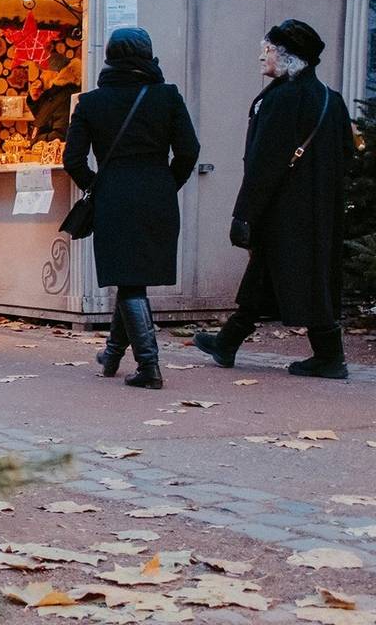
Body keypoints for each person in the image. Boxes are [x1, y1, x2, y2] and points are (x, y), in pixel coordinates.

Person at [194, 19, 353, 379]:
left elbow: (263, 164)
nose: (261, 56)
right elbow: (346, 154)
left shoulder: (280, 100)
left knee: (301, 277)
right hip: (319, 209)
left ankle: (330, 357)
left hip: (282, 208)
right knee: (270, 273)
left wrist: (244, 214)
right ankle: (228, 342)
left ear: (289, 58)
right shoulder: (331, 99)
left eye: (267, 50)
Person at [63, 28, 200, 390]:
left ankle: (149, 367)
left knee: (129, 279)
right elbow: (189, 150)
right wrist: (169, 183)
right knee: (132, 278)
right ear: (148, 55)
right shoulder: (167, 97)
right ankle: (111, 355)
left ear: (108, 57)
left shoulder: (91, 103)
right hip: (158, 194)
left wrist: (96, 186)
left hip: (114, 197)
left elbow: (72, 159)